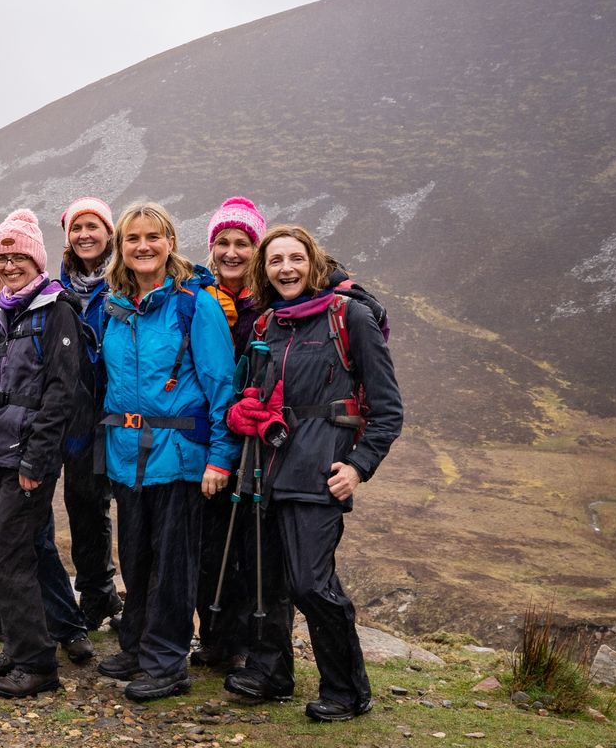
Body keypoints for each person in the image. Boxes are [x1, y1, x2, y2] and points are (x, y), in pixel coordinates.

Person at [224, 225, 402, 721]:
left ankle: (347, 690)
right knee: (264, 578)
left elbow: (388, 409)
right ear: (264, 272)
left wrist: (359, 467)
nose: (286, 269)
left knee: (310, 584)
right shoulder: (267, 325)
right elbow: (253, 393)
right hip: (262, 469)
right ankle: (271, 673)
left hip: (319, 472)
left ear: (314, 263)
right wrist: (244, 412)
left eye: (296, 259)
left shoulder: (350, 317)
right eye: (275, 261)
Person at [94, 203, 238, 702]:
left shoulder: (195, 305)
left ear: (170, 242)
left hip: (179, 455)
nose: (143, 246)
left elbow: (222, 385)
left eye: (153, 236)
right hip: (125, 453)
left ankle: (167, 662)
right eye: (132, 238)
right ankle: (136, 646)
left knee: (173, 563)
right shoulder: (114, 306)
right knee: (135, 557)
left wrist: (220, 457)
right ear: (121, 247)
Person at [0, 210, 89, 697]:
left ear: (37, 260)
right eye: (2, 258)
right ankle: (18, 645)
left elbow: (61, 394)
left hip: (26, 458)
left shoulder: (57, 311)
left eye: (18, 257)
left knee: (11, 556)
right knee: (1, 554)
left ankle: (37, 664)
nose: (9, 266)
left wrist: (37, 460)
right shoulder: (3, 312)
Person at [193, 198, 267, 670]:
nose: (232, 252)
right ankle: (214, 638)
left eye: (243, 243)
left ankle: (246, 644)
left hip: (259, 439)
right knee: (210, 541)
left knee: (249, 544)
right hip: (213, 436)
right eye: (223, 242)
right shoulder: (202, 299)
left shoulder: (271, 303)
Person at [58, 197, 121, 631]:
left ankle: (138, 603)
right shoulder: (59, 288)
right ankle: (97, 593)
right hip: (78, 413)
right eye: (76, 228)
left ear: (108, 232)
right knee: (82, 501)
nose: (84, 235)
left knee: (133, 506)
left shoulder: (126, 279)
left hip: (121, 407)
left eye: (92, 226)